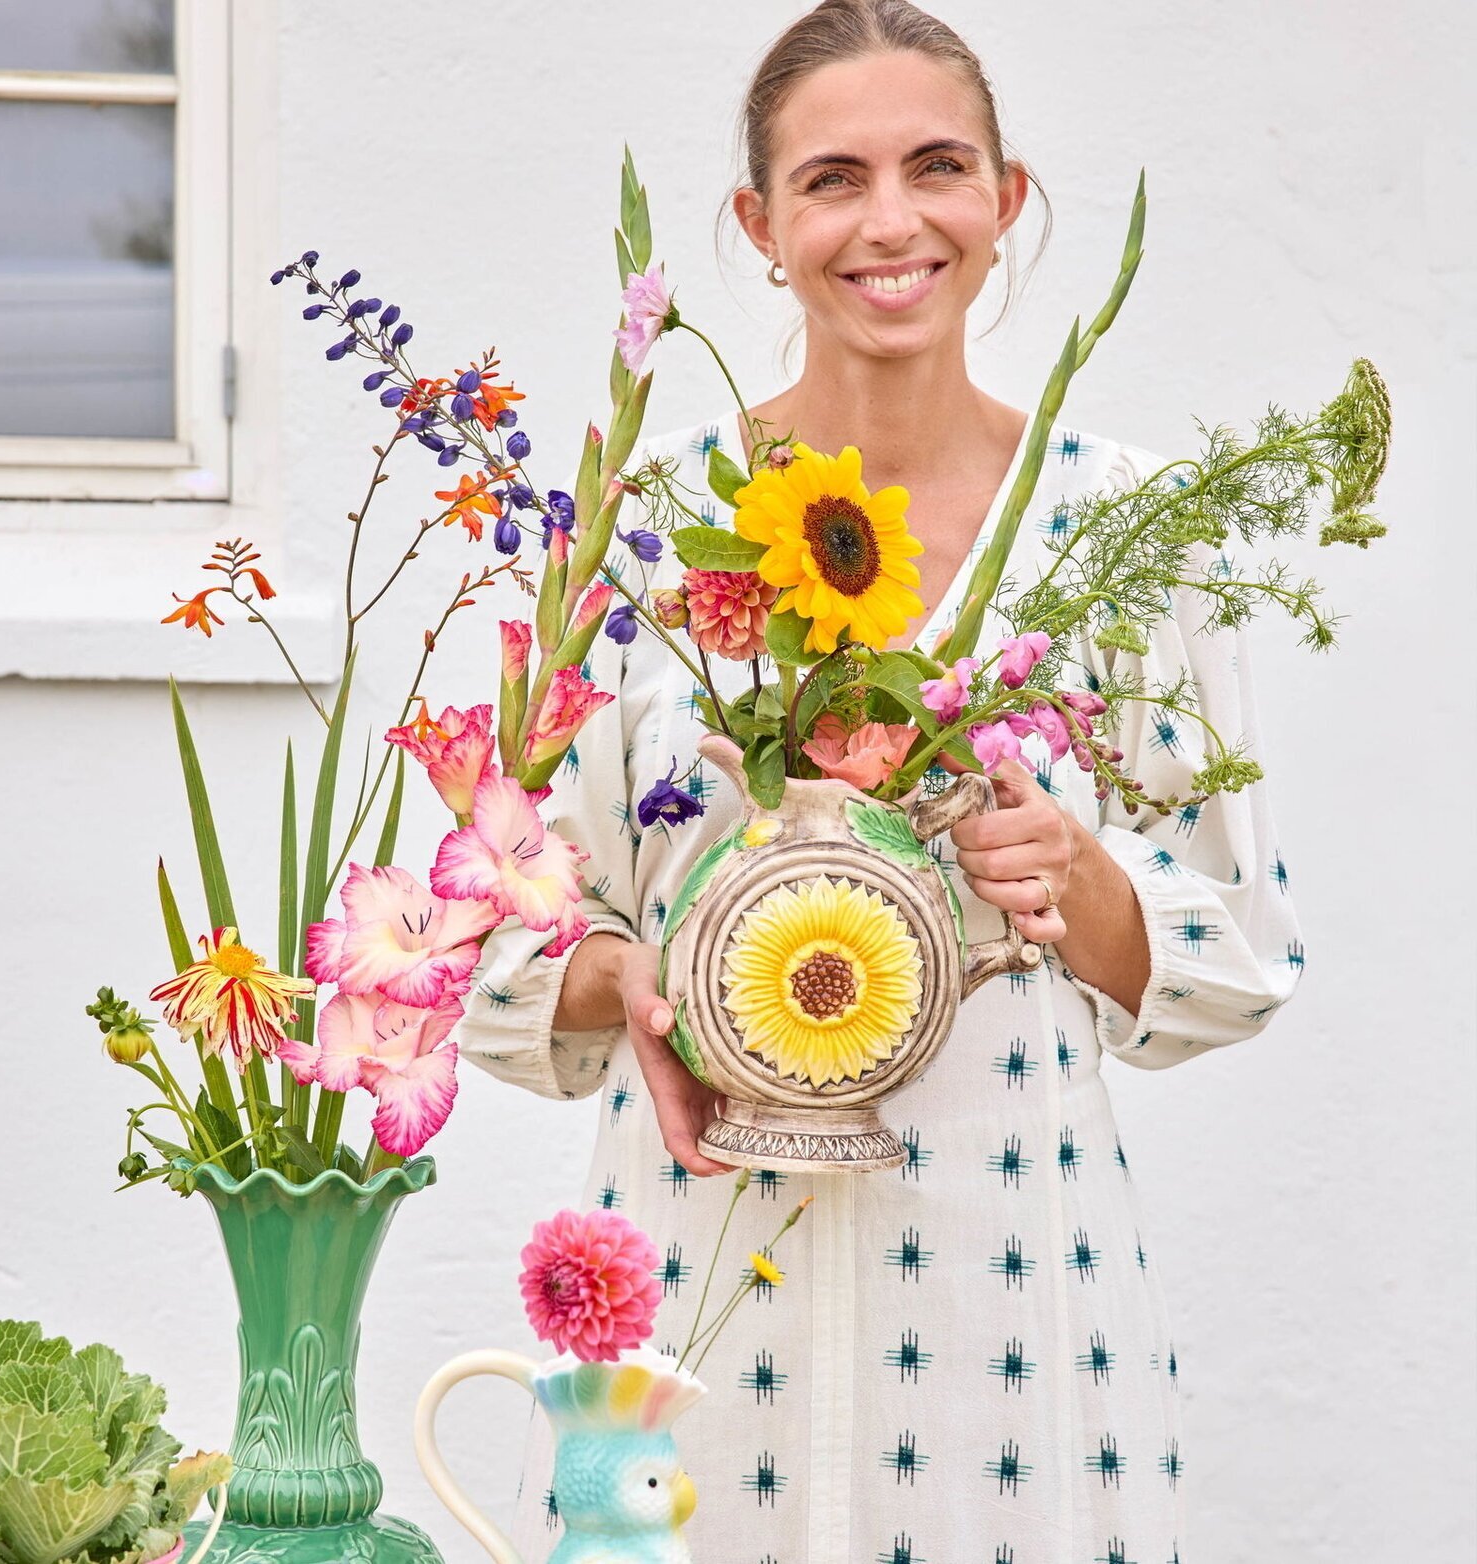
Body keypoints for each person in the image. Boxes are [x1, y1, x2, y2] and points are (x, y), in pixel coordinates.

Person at [458, 3, 1302, 1559]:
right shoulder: (645, 525)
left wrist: (1082, 877)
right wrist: (640, 979)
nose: (892, 220)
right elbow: (490, 925)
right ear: (758, 225)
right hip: (696, 1276)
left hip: (1012, 1292)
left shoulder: (1124, 532)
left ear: (1008, 201)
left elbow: (1239, 950)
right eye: (834, 178)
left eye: (938, 168)